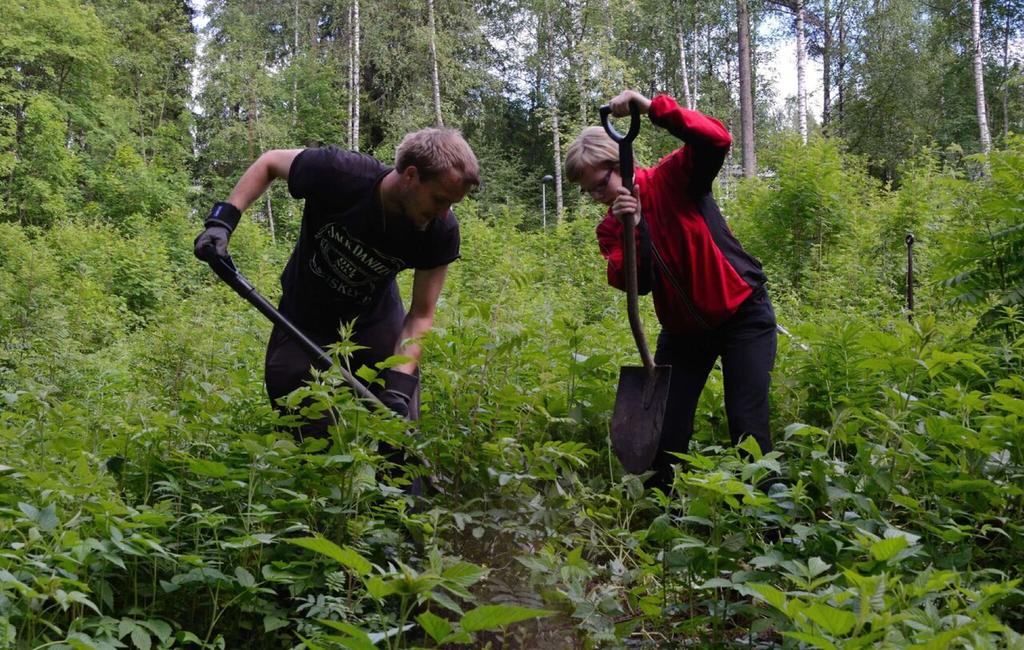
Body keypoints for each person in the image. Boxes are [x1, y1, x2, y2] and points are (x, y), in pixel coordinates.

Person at [194, 128, 479, 437]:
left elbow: (422, 315)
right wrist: (223, 223)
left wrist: (398, 386)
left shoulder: (441, 231)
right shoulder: (339, 173)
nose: (444, 212)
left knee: (399, 436)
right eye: (439, 199)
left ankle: (402, 477)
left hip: (374, 321)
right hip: (303, 317)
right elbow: (270, 162)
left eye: (452, 204)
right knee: (304, 424)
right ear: (411, 175)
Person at [565, 90, 776, 489]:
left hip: (742, 316)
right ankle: (664, 524)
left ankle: (769, 524)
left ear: (620, 163)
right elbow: (636, 285)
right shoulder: (612, 228)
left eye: (601, 183)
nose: (599, 197)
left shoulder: (675, 177)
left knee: (747, 425)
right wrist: (636, 228)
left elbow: (717, 139)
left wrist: (652, 108)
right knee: (665, 436)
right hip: (683, 336)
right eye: (589, 191)